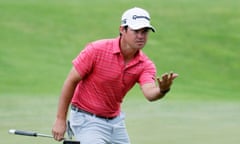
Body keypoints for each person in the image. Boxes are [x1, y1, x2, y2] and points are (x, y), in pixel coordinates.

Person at [52, 7, 178, 144]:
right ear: (122, 30)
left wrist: (162, 90)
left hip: (115, 123)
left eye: (145, 31)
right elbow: (71, 81)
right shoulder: (96, 50)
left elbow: (150, 93)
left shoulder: (145, 64)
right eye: (136, 31)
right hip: (86, 119)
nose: (141, 36)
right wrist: (60, 119)